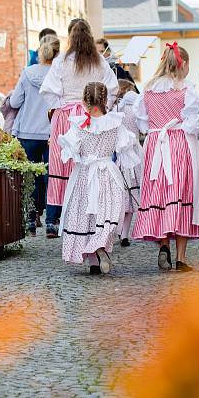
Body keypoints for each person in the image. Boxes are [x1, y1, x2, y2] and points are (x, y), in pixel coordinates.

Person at [133, 43, 199, 272]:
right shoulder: (186, 89)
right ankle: (181, 257)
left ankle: (164, 244)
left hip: (155, 144)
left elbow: (142, 123)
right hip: (178, 143)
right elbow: (193, 124)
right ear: (183, 64)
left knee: (160, 194)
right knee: (180, 194)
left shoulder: (148, 89)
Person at [41, 18, 119, 239]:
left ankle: (64, 219)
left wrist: (60, 107)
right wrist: (102, 108)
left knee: (64, 166)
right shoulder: (100, 63)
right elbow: (112, 89)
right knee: (91, 165)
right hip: (90, 116)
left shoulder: (61, 62)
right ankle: (91, 216)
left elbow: (48, 91)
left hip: (66, 118)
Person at [58, 82, 140, 274]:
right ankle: (100, 248)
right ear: (104, 100)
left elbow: (70, 151)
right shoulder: (115, 123)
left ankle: (94, 261)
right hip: (108, 174)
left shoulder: (78, 125)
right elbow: (126, 150)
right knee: (106, 215)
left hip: (85, 175)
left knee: (87, 216)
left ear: (84, 102)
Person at [10, 35, 60, 235]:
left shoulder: (28, 73)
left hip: (28, 131)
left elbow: (14, 102)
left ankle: (30, 220)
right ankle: (51, 222)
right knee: (52, 177)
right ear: (57, 54)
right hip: (51, 132)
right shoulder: (59, 75)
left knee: (29, 177)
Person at [111, 79, 144, 247]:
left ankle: (119, 231)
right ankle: (125, 234)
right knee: (132, 192)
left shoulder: (115, 111)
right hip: (136, 155)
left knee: (121, 194)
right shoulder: (136, 109)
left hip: (119, 155)